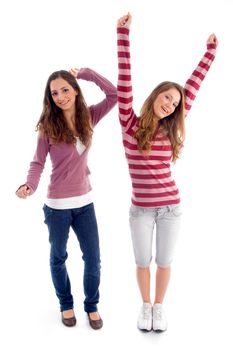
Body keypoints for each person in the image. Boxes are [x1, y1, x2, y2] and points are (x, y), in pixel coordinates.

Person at [117, 13, 218, 332]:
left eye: (175, 103)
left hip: (170, 207)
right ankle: (144, 306)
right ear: (156, 95)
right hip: (140, 211)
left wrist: (210, 53)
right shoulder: (129, 123)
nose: (171, 105)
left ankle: (158, 308)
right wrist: (122, 34)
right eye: (167, 98)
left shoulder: (169, 128)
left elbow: (193, 87)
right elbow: (124, 79)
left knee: (164, 262)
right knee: (142, 261)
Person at [15, 67, 117, 329]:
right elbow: (37, 163)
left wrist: (85, 73)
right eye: (54, 93)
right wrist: (29, 185)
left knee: (93, 259)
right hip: (57, 207)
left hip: (85, 204)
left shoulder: (90, 117)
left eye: (65, 89)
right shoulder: (48, 127)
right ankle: (66, 304)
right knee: (58, 258)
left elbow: (114, 94)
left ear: (75, 89)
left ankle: (91, 306)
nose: (60, 96)